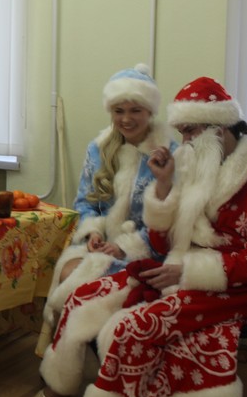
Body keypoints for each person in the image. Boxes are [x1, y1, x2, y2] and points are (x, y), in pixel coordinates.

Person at [32, 77, 247, 397]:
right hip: (182, 270)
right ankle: (61, 381)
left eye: (190, 132)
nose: (184, 142)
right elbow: (162, 243)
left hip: (240, 286)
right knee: (84, 295)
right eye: (182, 132)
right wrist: (162, 187)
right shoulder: (195, 167)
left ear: (218, 128)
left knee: (133, 327)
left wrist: (188, 272)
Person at [42, 65, 174, 326]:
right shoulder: (97, 149)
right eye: (118, 111)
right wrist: (93, 234)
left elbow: (170, 219)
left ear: (150, 111)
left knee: (94, 285)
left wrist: (124, 247)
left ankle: (103, 343)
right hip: (102, 245)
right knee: (68, 272)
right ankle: (83, 342)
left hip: (147, 252)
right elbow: (86, 203)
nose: (126, 119)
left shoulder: (169, 155)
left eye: (135, 110)